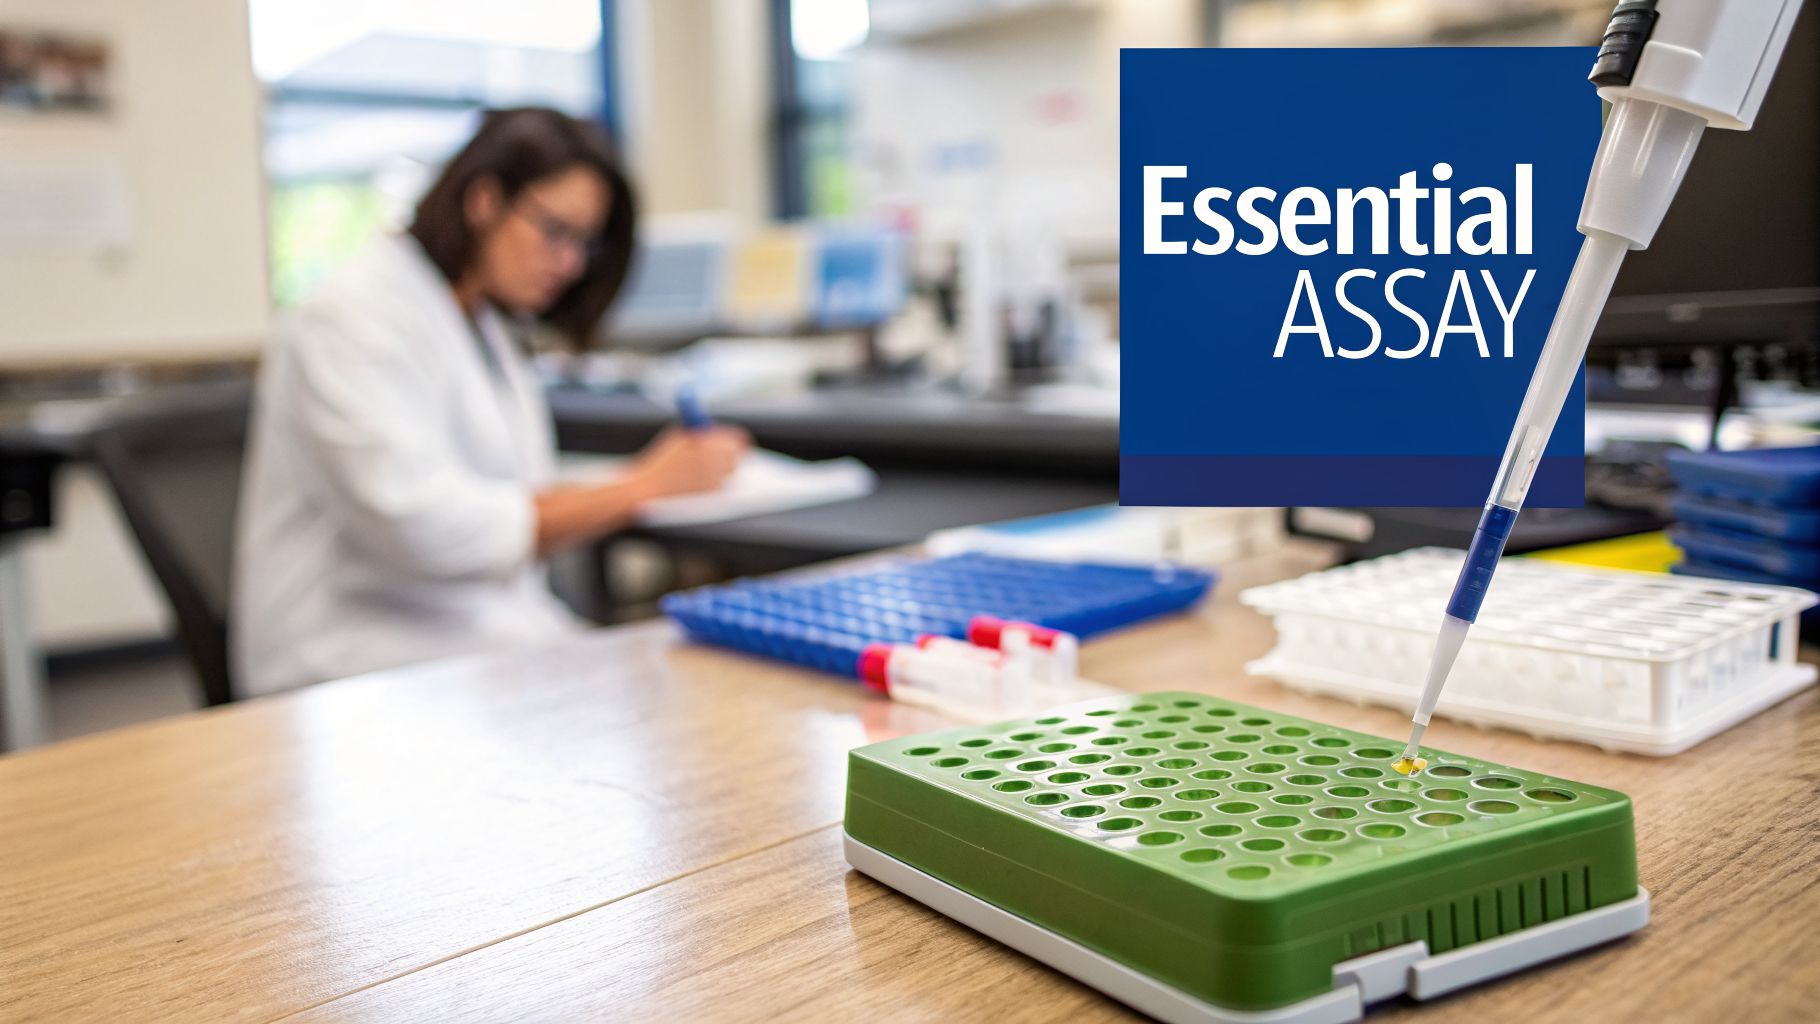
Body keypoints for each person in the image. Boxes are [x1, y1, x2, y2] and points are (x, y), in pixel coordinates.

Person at [234, 108, 748, 696]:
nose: (572, 263)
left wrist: (651, 480)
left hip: (466, 646)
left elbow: (507, 487)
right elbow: (425, 530)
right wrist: (642, 486)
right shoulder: (347, 318)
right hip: (352, 667)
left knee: (687, 685)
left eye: (585, 243)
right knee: (660, 704)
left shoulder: (480, 323)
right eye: (557, 231)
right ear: (484, 201)